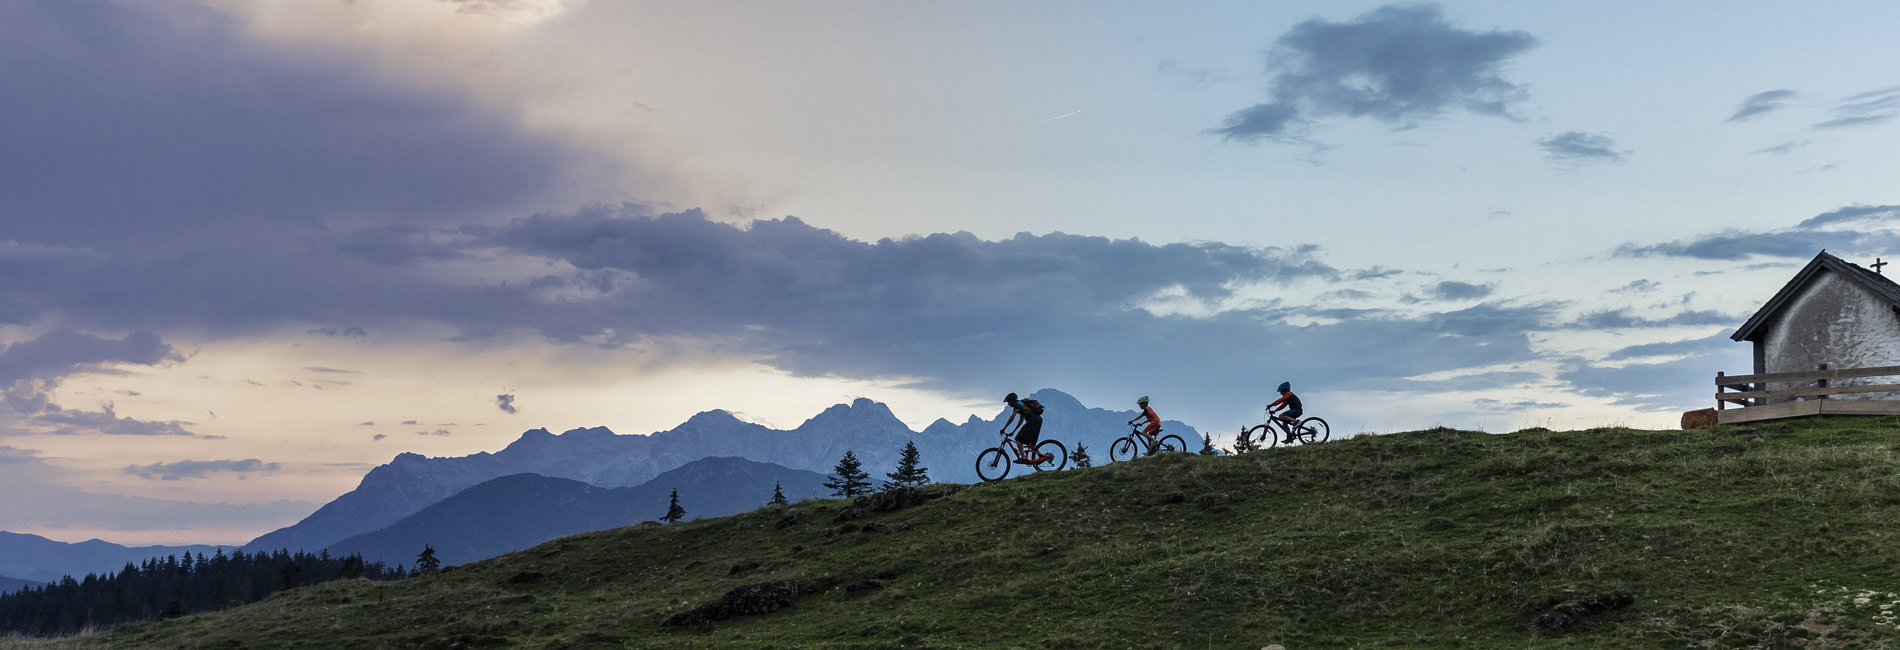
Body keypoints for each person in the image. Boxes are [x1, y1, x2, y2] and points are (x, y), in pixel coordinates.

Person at [1001, 392, 1051, 464]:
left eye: (1008, 401)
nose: (1008, 404)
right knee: (1031, 445)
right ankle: (1043, 457)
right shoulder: (1021, 403)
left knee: (1018, 439)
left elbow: (1012, 417)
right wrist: (1013, 431)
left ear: (1012, 400)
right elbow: (1021, 420)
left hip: (1032, 421)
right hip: (1038, 420)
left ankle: (1023, 458)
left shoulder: (1017, 404)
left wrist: (1004, 428)